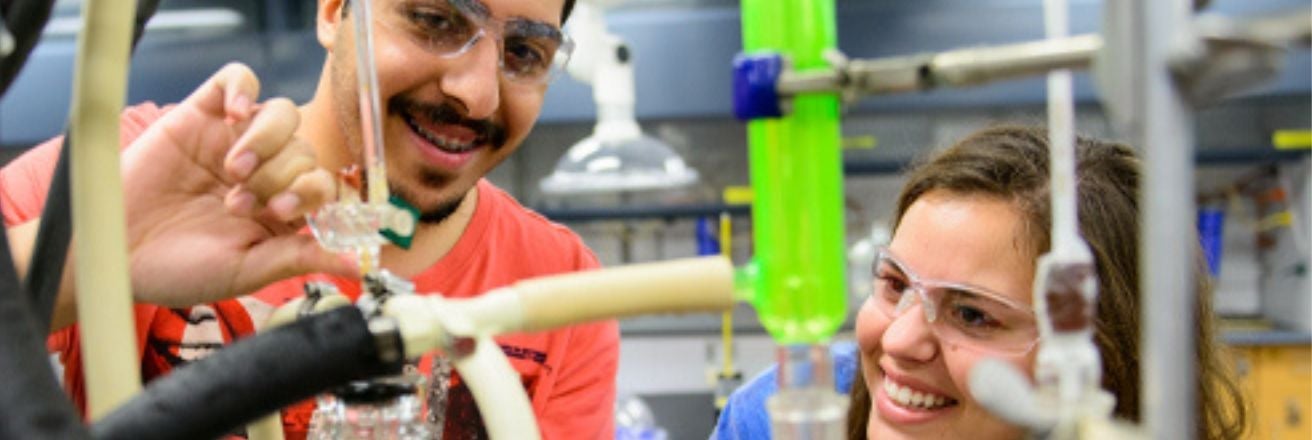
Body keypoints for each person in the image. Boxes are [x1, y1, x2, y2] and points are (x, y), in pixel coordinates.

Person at [1, 0, 618, 438]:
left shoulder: (561, 290)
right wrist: (102, 255)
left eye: (525, 53)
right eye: (435, 21)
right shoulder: (123, 175)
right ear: (332, 11)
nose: (477, 93)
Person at [713, 125, 1248, 439]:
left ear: (1098, 359)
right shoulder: (778, 415)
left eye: (972, 314)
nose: (898, 341)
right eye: (895, 284)